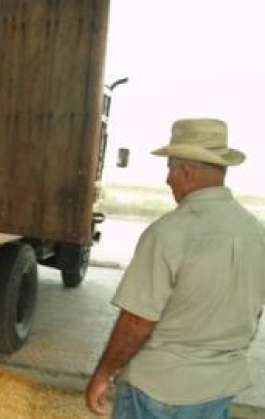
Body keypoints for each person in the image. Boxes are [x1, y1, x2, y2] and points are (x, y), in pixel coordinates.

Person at [85, 118, 265, 418]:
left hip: (159, 391)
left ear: (185, 171)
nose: (168, 179)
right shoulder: (256, 233)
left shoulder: (168, 232)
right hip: (218, 388)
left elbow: (137, 322)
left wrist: (103, 374)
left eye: (169, 168)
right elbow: (254, 309)